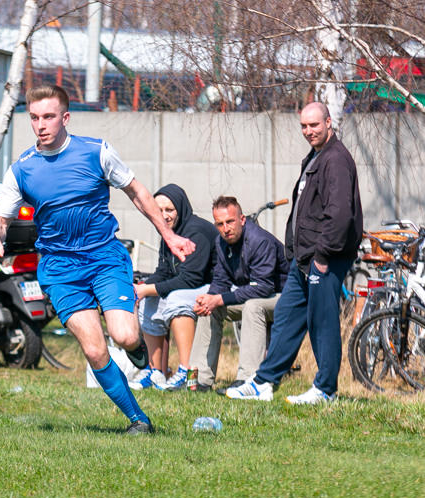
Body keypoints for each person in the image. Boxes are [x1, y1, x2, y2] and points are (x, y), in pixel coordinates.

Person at [0, 85, 194, 434]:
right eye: (34, 117)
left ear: (65, 118)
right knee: (95, 352)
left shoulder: (96, 152)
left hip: (104, 259)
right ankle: (138, 420)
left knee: (124, 336)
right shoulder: (22, 169)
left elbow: (137, 192)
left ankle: (137, 344)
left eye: (48, 116)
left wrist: (169, 236)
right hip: (61, 270)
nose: (41, 125)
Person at [225, 101, 362, 404]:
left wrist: (323, 257)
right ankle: (263, 382)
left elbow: (339, 214)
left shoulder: (336, 160)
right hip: (304, 261)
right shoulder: (315, 157)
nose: (309, 131)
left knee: (322, 322)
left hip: (324, 259)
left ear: (329, 123)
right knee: (287, 317)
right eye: (304, 126)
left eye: (314, 124)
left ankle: (325, 390)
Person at [191, 196, 289, 393]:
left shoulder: (260, 241)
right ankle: (199, 380)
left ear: (242, 219)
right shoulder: (220, 242)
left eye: (230, 221)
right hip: (259, 295)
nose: (225, 228)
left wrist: (219, 299)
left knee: (254, 306)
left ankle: (248, 379)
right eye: (220, 224)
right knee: (211, 309)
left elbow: (264, 287)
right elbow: (220, 280)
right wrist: (209, 299)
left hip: (285, 299)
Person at [133, 184, 218, 391]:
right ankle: (156, 372)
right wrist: (142, 287)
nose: (164, 215)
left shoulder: (196, 231)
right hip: (191, 285)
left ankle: (186, 372)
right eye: (159, 210)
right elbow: (164, 271)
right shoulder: (168, 233)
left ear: (180, 208)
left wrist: (147, 289)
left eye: (169, 210)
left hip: (215, 286)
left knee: (177, 299)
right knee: (149, 300)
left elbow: (190, 279)